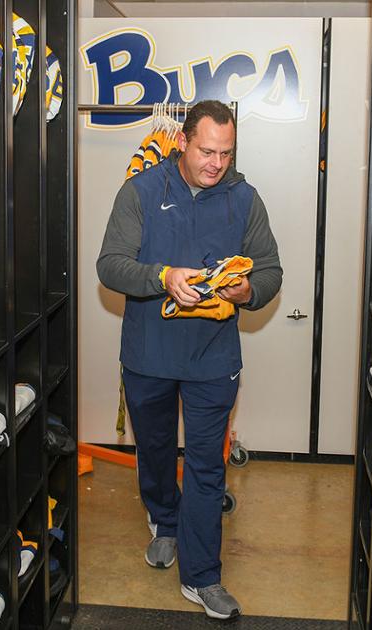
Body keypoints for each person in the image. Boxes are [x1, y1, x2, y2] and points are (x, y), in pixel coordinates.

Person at [96, 99, 283, 619]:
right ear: (182, 141)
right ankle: (164, 519)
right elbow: (110, 265)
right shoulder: (141, 191)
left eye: (225, 153)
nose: (215, 163)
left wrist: (247, 291)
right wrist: (163, 278)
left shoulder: (245, 200)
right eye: (206, 151)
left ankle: (202, 576)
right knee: (155, 452)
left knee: (205, 468)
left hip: (213, 360)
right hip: (148, 356)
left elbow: (271, 271)